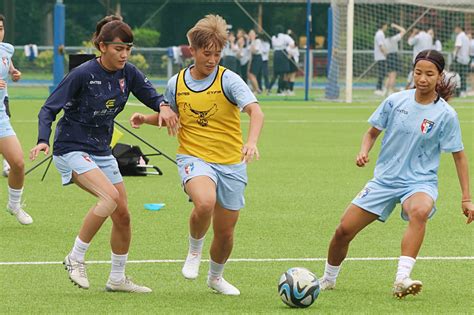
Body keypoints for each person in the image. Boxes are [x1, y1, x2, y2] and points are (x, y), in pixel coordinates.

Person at [29, 16, 174, 293]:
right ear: (102, 46)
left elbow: (151, 95)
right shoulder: (82, 74)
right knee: (109, 198)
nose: (124, 54)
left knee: (123, 215)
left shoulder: (128, 73)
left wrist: (163, 106)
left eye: (128, 49)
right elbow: (48, 109)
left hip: (100, 150)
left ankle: (117, 278)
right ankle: (75, 257)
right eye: (119, 48)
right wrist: (42, 140)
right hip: (71, 148)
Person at [318, 49, 474, 298]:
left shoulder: (446, 115)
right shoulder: (395, 101)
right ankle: (328, 278)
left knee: (420, 211)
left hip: (420, 182)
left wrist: (466, 198)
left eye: (429, 74)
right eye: (418, 72)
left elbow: (459, 156)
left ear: (439, 76)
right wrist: (363, 151)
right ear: (412, 72)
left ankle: (402, 278)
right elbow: (371, 133)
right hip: (385, 180)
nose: (422, 79)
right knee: (343, 231)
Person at [129, 14, 264, 296]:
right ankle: (194, 250)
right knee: (204, 202)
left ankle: (215, 278)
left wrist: (251, 142)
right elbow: (172, 117)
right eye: (207, 53)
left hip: (231, 162)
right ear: (192, 50)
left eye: (217, 53)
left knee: (226, 232)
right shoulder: (176, 83)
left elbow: (255, 111)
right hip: (193, 157)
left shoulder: (230, 80)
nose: (213, 59)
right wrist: (147, 117)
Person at [0, 14, 32, 225]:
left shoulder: (6, 50)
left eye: (0, 27)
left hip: (0, 117)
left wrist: (14, 73)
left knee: (18, 163)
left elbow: (8, 68)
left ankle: (14, 205)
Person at [269, 25, 294, 95]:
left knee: (276, 73)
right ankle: (279, 90)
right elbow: (292, 43)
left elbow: (273, 46)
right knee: (282, 74)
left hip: (276, 54)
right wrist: (288, 49)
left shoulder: (273, 37)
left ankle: (269, 89)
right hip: (283, 53)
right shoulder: (285, 36)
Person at [383, 23, 406, 96]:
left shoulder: (385, 40)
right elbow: (403, 31)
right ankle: (390, 90)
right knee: (393, 75)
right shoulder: (394, 38)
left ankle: (385, 90)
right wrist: (395, 25)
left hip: (388, 56)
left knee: (389, 75)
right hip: (393, 56)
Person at [452, 25, 470, 97]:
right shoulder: (466, 37)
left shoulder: (459, 36)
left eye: (455, 28)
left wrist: (454, 55)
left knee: (457, 76)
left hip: (459, 59)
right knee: (463, 76)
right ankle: (463, 91)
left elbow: (458, 46)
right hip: (466, 59)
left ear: (458, 28)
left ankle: (458, 92)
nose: (455, 30)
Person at [373, 22, 388, 96]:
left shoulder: (381, 33)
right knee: (381, 73)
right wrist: (385, 53)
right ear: (383, 25)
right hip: (381, 56)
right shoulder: (380, 34)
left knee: (382, 73)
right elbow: (380, 45)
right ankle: (378, 88)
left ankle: (380, 88)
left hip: (381, 56)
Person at [247, 29, 263, 94]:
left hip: (257, 58)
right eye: (250, 33)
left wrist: (253, 40)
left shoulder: (257, 41)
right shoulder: (249, 42)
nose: (250, 35)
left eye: (252, 33)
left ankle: (257, 90)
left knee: (252, 74)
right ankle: (256, 89)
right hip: (252, 58)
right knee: (250, 74)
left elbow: (254, 50)